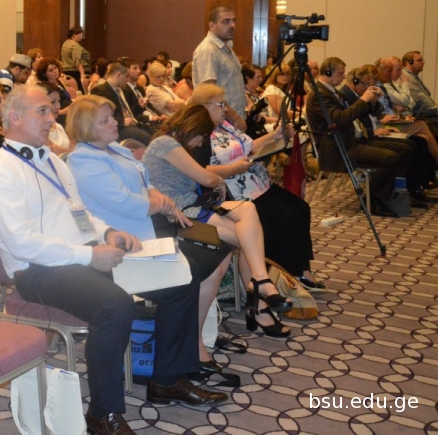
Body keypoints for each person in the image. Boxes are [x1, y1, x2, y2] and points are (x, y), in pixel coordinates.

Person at [0, 86, 226, 434]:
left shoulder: (51, 161)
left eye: (51, 111)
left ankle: (167, 379)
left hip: (81, 255)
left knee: (181, 277)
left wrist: (107, 232)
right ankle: (102, 414)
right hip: (39, 271)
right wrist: (90, 255)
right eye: (42, 111)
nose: (52, 118)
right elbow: (23, 245)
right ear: (14, 117)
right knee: (115, 306)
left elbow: (80, 212)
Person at [64, 95, 232, 369]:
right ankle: (175, 367)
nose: (115, 122)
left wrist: (159, 197)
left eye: (112, 116)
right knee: (190, 272)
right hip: (125, 240)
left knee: (217, 250)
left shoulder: (113, 148)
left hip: (148, 226)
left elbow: (145, 179)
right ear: (86, 127)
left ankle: (192, 345)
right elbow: (125, 203)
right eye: (105, 120)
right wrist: (160, 203)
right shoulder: (83, 160)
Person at [141, 104, 294, 337]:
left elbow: (204, 177)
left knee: (248, 211)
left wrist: (217, 180)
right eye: (203, 136)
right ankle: (259, 301)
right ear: (193, 128)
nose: (202, 142)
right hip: (178, 212)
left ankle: (260, 282)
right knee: (249, 239)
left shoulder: (170, 144)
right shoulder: (165, 143)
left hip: (190, 205)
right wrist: (220, 181)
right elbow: (205, 178)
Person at [187, 84, 325, 291]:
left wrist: (275, 136)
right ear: (205, 106)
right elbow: (199, 170)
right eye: (221, 104)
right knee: (284, 217)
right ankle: (288, 273)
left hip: (257, 183)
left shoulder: (224, 125)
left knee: (300, 208)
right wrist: (233, 169)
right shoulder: (199, 134)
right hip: (235, 192)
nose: (226, 109)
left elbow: (248, 146)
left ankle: (300, 269)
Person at [306, 57, 412, 217]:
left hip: (352, 140)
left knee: (405, 148)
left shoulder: (331, 91)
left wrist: (372, 101)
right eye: (340, 73)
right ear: (328, 72)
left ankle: (394, 193)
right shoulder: (319, 95)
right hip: (338, 147)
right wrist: (363, 100)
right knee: (390, 158)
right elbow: (339, 120)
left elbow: (362, 113)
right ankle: (373, 199)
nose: (344, 77)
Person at [338, 65, 432, 205]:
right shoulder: (345, 95)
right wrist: (366, 103)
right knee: (403, 150)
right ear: (355, 81)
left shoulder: (357, 95)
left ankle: (408, 189)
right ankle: (390, 193)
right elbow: (352, 120)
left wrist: (374, 100)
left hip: (367, 135)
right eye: (365, 84)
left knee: (413, 144)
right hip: (359, 139)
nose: (367, 88)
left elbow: (376, 113)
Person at [191, 6, 247, 130]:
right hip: (221, 123)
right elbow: (209, 95)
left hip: (231, 120)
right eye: (226, 22)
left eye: (234, 21)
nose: (232, 25)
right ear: (212, 25)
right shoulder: (208, 50)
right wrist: (235, 118)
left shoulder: (226, 47)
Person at [90, 61, 153, 144]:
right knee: (148, 138)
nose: (128, 80)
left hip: (133, 124)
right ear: (119, 75)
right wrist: (122, 122)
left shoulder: (122, 90)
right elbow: (99, 116)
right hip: (118, 128)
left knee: (158, 133)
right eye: (126, 76)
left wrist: (139, 106)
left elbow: (130, 113)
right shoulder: (100, 90)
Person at [40, 82, 73, 155]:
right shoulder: (39, 130)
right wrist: (67, 151)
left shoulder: (58, 126)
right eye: (52, 102)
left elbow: (73, 149)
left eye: (58, 101)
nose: (58, 106)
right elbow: (52, 152)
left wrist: (64, 150)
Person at [61, 26, 91, 91]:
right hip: (76, 72)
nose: (81, 36)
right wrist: (82, 74)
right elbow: (77, 60)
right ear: (74, 35)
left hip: (67, 71)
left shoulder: (65, 43)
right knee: (80, 91)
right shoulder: (75, 45)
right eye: (80, 34)